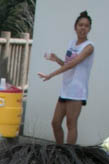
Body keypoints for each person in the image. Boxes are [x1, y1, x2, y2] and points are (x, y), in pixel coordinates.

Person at [38, 10, 95, 145]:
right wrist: (56, 59)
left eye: (86, 26)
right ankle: (60, 150)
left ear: (89, 29)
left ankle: (69, 155)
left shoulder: (89, 47)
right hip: (66, 89)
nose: (83, 28)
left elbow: (73, 64)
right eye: (80, 25)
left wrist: (50, 75)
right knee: (55, 123)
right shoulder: (72, 43)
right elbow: (67, 65)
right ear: (75, 27)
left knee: (71, 124)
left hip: (77, 91)